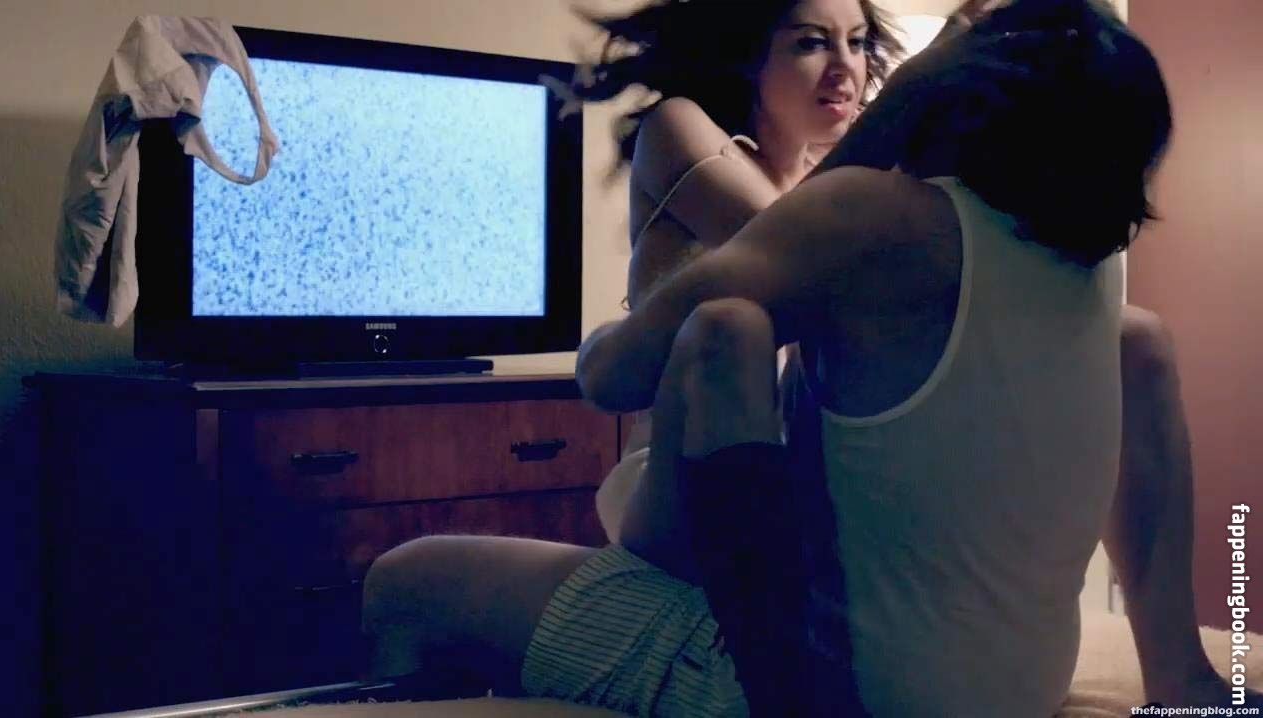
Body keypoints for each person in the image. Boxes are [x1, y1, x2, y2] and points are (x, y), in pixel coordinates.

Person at [363, 0, 1254, 714]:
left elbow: (611, 375)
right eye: (811, 42)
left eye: (861, 46)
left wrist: (904, 100)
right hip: (1021, 686)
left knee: (405, 579)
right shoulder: (1085, 278)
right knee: (1140, 338)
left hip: (825, 678)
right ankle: (1181, 675)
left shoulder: (865, 215)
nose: (849, 69)